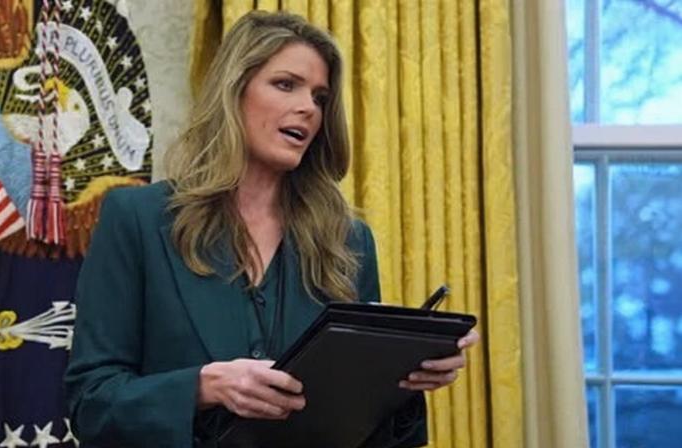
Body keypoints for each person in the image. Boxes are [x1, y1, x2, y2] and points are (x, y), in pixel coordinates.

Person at [64, 10, 479, 448]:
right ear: (234, 90)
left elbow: (370, 433)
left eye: (320, 97)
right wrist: (203, 387)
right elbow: (91, 404)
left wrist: (401, 380)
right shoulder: (136, 219)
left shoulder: (348, 242)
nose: (308, 108)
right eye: (285, 85)